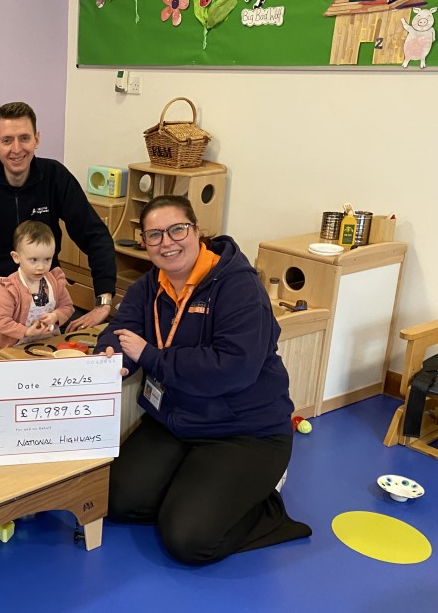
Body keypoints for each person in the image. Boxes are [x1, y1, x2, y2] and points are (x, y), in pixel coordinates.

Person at [95, 194, 312, 564]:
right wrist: (112, 357)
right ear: (144, 243)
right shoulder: (150, 285)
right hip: (175, 421)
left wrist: (149, 356)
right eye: (154, 235)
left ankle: (265, 501)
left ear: (198, 232)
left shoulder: (238, 287)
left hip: (244, 430)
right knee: (113, 501)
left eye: (177, 229)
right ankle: (194, 491)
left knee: (188, 540)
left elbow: (234, 368)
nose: (167, 242)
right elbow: (121, 327)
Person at [0, 101, 117, 361]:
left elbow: (95, 236)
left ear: (37, 139)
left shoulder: (55, 176)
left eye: (24, 138)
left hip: (45, 300)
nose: (16, 149)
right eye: (7, 140)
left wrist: (104, 303)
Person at [0, 220, 75, 350]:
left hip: (48, 344)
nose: (41, 267)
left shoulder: (54, 281)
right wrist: (26, 332)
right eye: (33, 260)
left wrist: (55, 316)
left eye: (47, 259)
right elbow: (0, 321)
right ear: (16, 257)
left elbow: (67, 306)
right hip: (13, 349)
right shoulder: (8, 288)